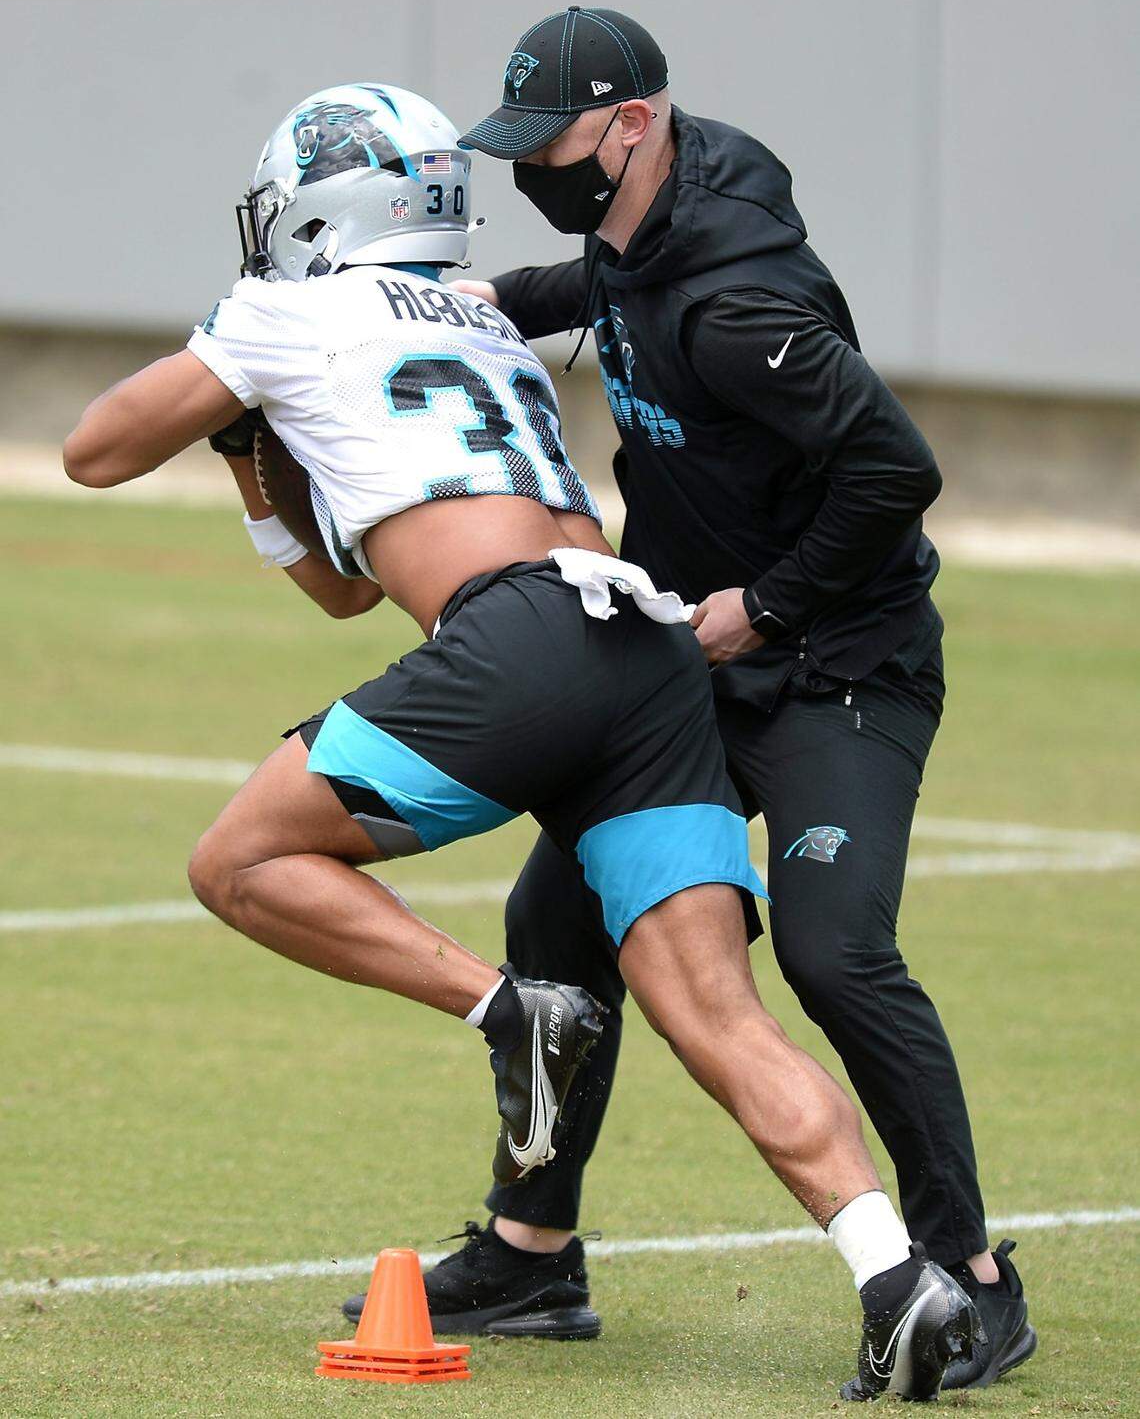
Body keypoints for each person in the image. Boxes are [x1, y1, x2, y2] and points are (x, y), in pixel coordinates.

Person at [63, 81, 976, 1402]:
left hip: (524, 641)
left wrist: (226, 379)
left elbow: (94, 449)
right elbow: (342, 583)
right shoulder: (478, 316)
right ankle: (900, 1278)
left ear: (322, 205)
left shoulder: (283, 309)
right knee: (719, 1012)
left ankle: (514, 1013)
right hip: (647, 644)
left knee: (239, 861)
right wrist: (251, 455)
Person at [343, 9, 1035, 1398]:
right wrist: (480, 306)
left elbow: (896, 470)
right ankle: (535, 1253)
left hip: (841, 664)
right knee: (555, 918)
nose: (539, 165)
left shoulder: (742, 300)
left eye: (553, 145)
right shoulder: (642, 224)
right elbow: (600, 283)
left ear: (636, 125)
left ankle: (968, 1272)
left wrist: (766, 606)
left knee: (834, 953)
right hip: (689, 662)